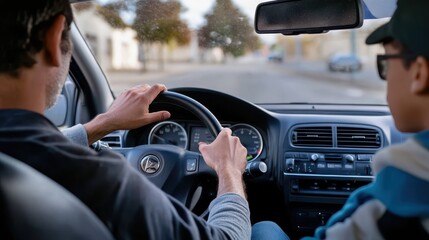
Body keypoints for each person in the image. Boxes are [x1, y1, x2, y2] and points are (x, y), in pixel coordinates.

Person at [0, 1, 251, 239]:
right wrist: (228, 170)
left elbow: (27, 150)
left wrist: (103, 123)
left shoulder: (21, 156)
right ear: (52, 39)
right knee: (267, 229)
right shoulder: (99, 178)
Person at [252, 0, 429, 239]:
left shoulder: (405, 189)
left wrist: (229, 180)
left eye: (385, 64)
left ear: (418, 73)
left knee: (263, 228)